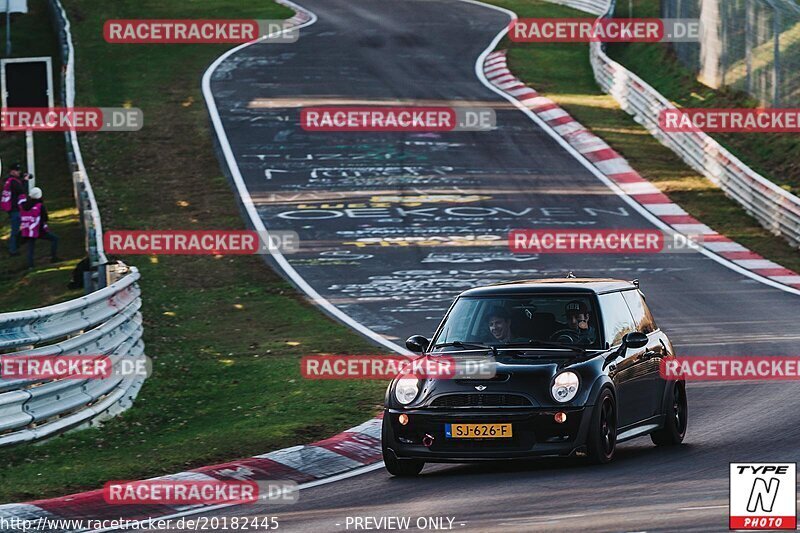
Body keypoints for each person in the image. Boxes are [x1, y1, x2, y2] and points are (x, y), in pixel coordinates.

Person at [19, 187, 61, 268]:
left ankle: (30, 265)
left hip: (27, 229)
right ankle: (53, 257)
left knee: (31, 247)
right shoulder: (39, 205)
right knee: (55, 239)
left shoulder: (23, 205)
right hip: (39, 230)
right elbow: (45, 218)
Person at [1, 163, 29, 256]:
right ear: (12, 171)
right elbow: (21, 191)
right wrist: (25, 181)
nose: (19, 172)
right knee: (15, 230)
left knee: (21, 227)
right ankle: (13, 249)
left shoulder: (9, 181)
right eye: (17, 170)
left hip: (12, 209)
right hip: (15, 209)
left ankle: (17, 245)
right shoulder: (13, 182)